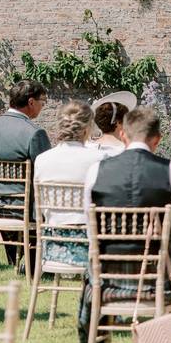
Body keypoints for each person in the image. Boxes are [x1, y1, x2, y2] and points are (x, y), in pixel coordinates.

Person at [79, 107, 171, 343]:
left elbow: (90, 226)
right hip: (157, 275)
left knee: (89, 277)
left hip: (107, 278)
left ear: (123, 135)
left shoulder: (96, 171)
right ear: (157, 140)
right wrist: (164, 257)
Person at [0, 79, 52, 270]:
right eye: (42, 102)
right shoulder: (35, 133)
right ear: (31, 102)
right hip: (28, 208)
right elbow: (47, 173)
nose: (42, 107)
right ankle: (38, 262)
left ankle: (15, 260)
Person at [34, 101, 105, 267]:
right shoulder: (99, 159)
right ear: (88, 128)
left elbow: (40, 205)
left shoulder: (42, 159)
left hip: (53, 242)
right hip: (91, 244)